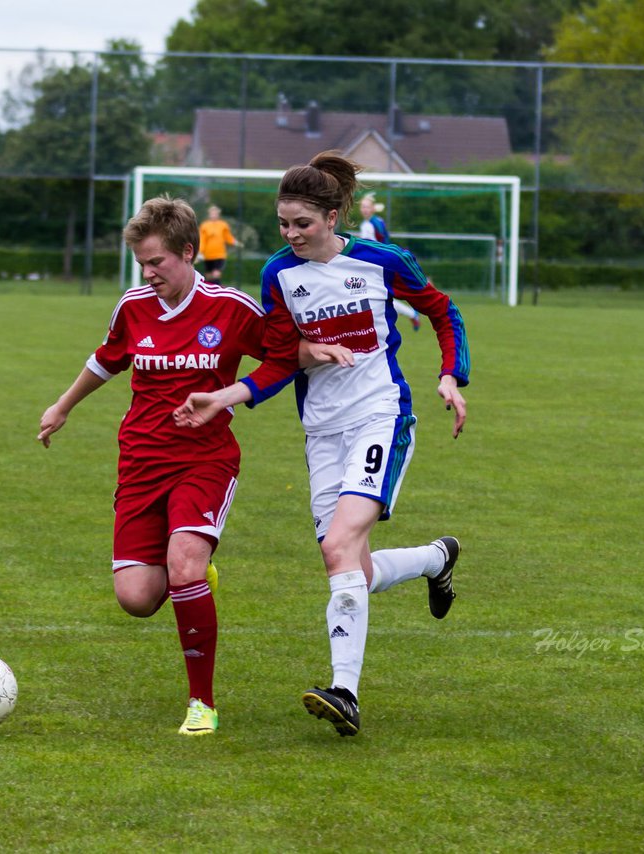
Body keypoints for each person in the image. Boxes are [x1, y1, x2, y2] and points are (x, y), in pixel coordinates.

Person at [174, 151, 470, 737]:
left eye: (302, 224)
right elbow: (281, 360)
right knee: (351, 564)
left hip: (380, 416)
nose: (291, 235)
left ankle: (345, 693)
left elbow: (443, 310)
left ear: (333, 216)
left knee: (338, 547)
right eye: (284, 224)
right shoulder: (278, 274)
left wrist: (449, 375)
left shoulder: (383, 261)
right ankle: (437, 558)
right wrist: (224, 396)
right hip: (321, 432)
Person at [37, 196, 329, 736]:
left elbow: (279, 352)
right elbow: (107, 358)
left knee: (185, 565)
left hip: (205, 460)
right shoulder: (132, 307)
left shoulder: (231, 307)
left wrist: (322, 349)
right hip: (140, 463)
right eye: (142, 265)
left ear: (188, 253)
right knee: (137, 598)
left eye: (157, 263)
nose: (148, 274)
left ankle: (202, 703)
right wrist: (63, 405)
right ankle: (192, 578)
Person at [358, 193, 421, 332]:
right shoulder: (377, 221)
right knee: (382, 294)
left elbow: (370, 246)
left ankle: (409, 314)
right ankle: (411, 314)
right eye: (362, 207)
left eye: (367, 207)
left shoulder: (368, 224)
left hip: (376, 264)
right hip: (381, 261)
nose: (364, 209)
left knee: (380, 295)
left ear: (373, 208)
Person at [198, 205, 237, 284]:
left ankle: (217, 294)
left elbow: (228, 237)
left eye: (215, 213)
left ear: (218, 214)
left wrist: (235, 242)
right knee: (208, 277)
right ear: (209, 214)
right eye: (212, 213)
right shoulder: (204, 226)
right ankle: (210, 294)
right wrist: (200, 252)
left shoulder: (223, 225)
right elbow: (202, 240)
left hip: (219, 255)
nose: (214, 215)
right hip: (208, 255)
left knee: (216, 275)